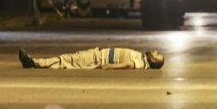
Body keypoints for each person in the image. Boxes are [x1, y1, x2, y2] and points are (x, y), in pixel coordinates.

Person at [18, 47, 164, 70]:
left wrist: (110, 67)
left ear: (153, 61)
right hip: (98, 54)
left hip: (99, 59)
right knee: (69, 60)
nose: (156, 51)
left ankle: (34, 62)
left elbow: (128, 65)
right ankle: (36, 63)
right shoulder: (143, 57)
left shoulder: (142, 62)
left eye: (157, 54)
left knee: (66, 60)